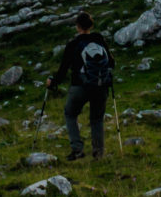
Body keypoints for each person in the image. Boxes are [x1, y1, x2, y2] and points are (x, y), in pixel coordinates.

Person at [47, 11, 115, 160]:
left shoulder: (73, 44)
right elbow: (111, 62)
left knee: (70, 114)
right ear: (91, 25)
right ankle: (98, 153)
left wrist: (53, 82)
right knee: (96, 119)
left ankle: (77, 149)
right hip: (100, 86)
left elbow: (63, 69)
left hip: (79, 87)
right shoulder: (99, 39)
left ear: (78, 27)